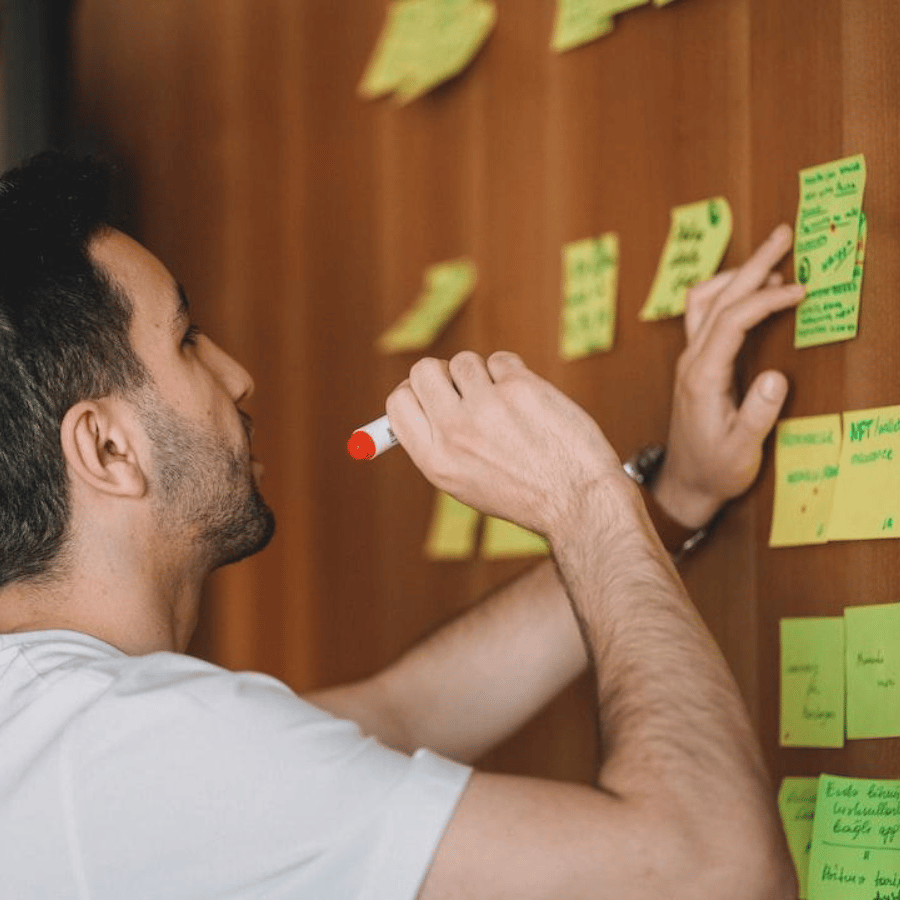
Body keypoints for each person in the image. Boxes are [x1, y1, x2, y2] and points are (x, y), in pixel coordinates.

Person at [0, 151, 803, 899]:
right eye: (187, 341)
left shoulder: (60, 725)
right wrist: (583, 498)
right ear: (106, 446)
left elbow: (409, 711)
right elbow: (718, 870)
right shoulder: (140, 748)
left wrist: (671, 498)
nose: (237, 376)